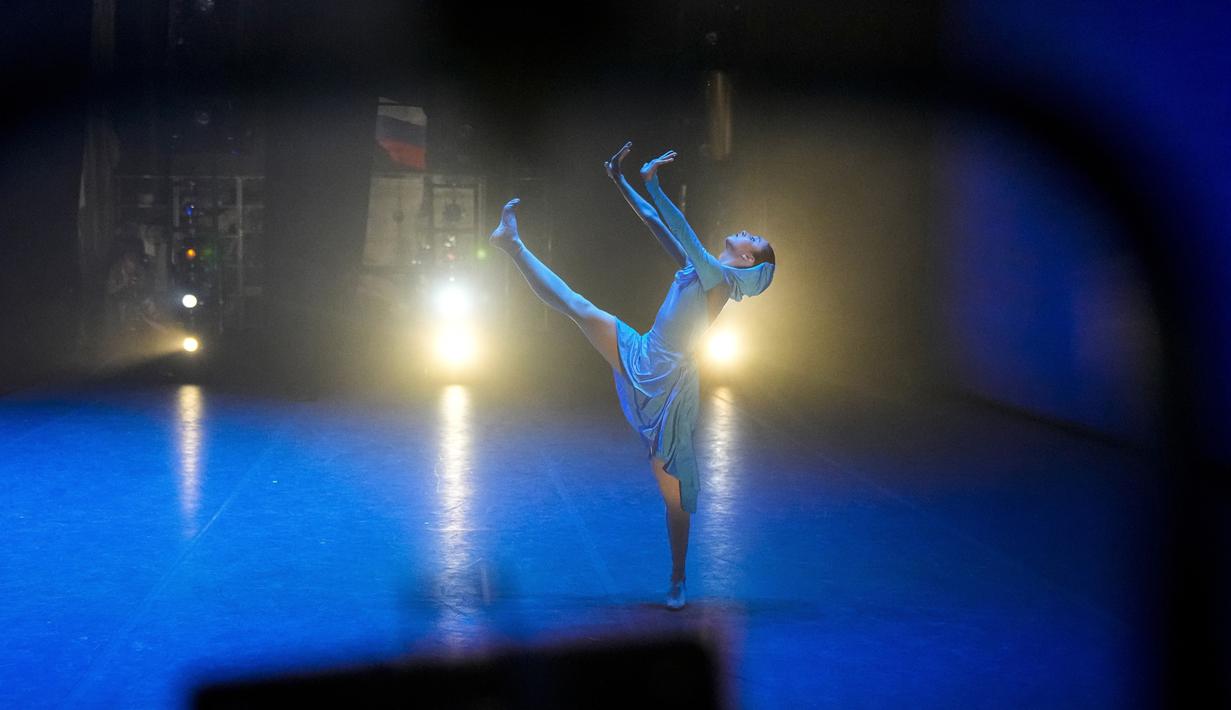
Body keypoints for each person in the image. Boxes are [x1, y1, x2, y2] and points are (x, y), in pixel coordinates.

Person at [489, 142, 775, 610]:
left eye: (753, 239)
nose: (746, 232)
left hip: (668, 384)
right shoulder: (697, 268)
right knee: (578, 307)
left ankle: (678, 578)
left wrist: (653, 182)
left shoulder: (719, 280)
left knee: (674, 498)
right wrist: (620, 180)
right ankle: (511, 243)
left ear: (747, 261)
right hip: (643, 351)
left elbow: (679, 227)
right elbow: (655, 221)